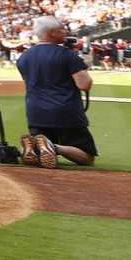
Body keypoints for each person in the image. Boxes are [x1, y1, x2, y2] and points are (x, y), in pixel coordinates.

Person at [16, 16, 96, 166]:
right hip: (64, 111)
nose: (65, 31)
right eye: (61, 29)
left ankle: (33, 147)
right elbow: (84, 85)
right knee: (87, 157)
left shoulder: (24, 57)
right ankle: (53, 146)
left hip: (36, 112)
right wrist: (84, 64)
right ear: (51, 33)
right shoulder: (66, 54)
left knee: (41, 145)